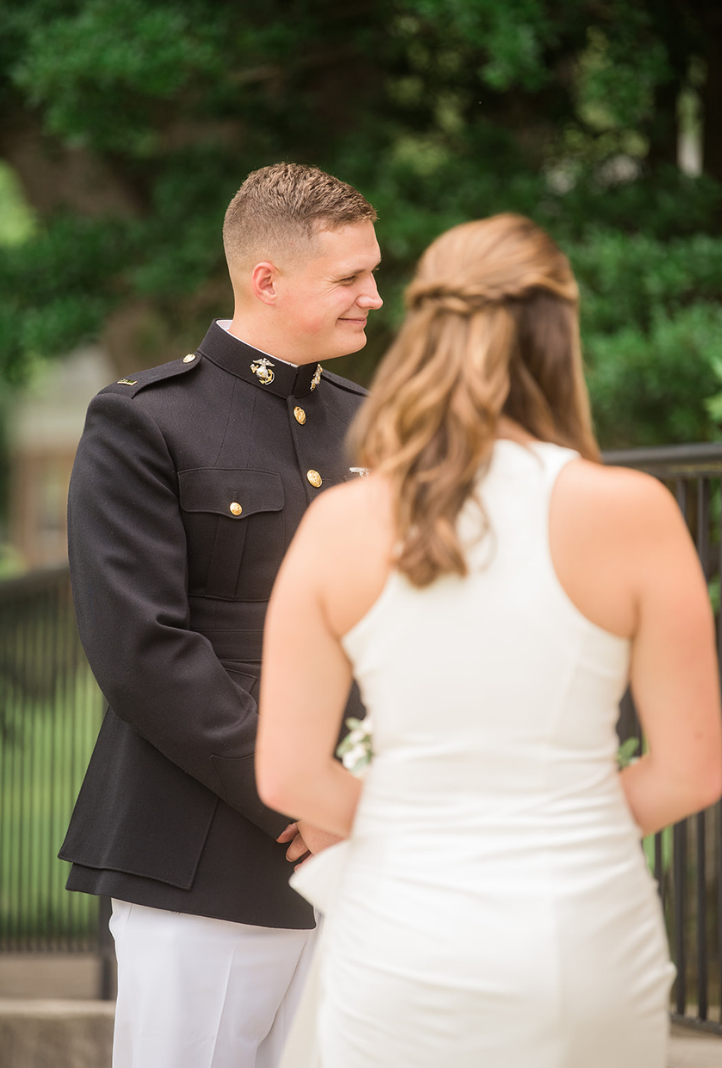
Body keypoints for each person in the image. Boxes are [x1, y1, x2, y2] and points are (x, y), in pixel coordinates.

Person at [254, 212, 722, 1067]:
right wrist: (554, 824)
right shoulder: (632, 511)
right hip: (579, 931)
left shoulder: (339, 524)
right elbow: (690, 772)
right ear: (558, 333)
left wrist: (420, 828)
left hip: (400, 936)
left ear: (428, 327)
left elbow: (287, 773)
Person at [60, 162, 382, 1067]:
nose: (375, 297)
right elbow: (141, 649)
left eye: (373, 271)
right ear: (266, 278)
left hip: (365, 852)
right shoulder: (146, 423)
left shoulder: (378, 426)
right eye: (351, 277)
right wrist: (300, 796)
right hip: (204, 852)